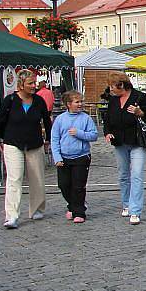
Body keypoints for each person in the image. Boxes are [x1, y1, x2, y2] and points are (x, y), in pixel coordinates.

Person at [0, 69, 52, 229]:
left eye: (35, 83)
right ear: (21, 85)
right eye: (30, 83)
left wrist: (48, 139)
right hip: (13, 143)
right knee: (14, 179)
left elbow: (46, 120)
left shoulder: (39, 101)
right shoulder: (10, 100)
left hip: (34, 143)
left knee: (37, 177)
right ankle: (12, 215)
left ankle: (37, 209)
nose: (34, 86)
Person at [103, 72, 146, 225]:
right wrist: (107, 133)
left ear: (122, 85)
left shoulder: (140, 97)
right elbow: (107, 118)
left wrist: (140, 113)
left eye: (112, 86)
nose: (110, 89)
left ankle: (135, 210)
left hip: (136, 141)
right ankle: (126, 203)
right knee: (123, 175)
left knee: (137, 174)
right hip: (119, 142)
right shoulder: (113, 100)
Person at [50, 91, 98, 223]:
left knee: (78, 186)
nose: (80, 104)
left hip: (81, 156)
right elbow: (54, 139)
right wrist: (57, 157)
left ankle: (79, 212)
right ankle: (72, 205)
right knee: (64, 185)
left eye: (81, 101)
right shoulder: (60, 119)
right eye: (77, 102)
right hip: (64, 158)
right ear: (68, 104)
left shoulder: (86, 118)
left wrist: (80, 133)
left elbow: (94, 135)